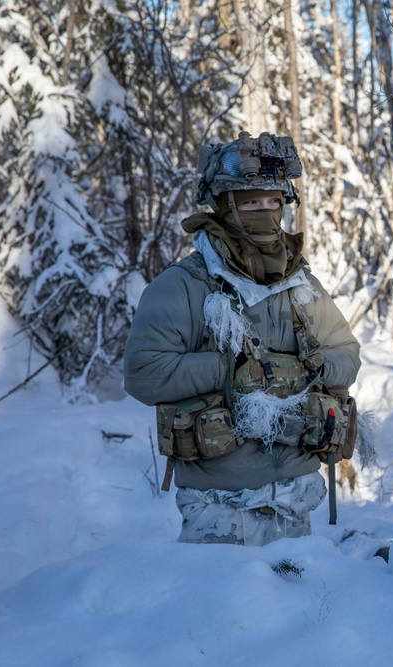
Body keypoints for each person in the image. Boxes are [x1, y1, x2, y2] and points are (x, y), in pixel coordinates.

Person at [123, 131, 361, 546]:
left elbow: (347, 355)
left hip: (296, 498)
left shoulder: (300, 284)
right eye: (251, 202)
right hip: (220, 504)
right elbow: (144, 374)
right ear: (222, 207)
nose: (265, 212)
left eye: (274, 201)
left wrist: (311, 366)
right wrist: (233, 369)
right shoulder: (184, 285)